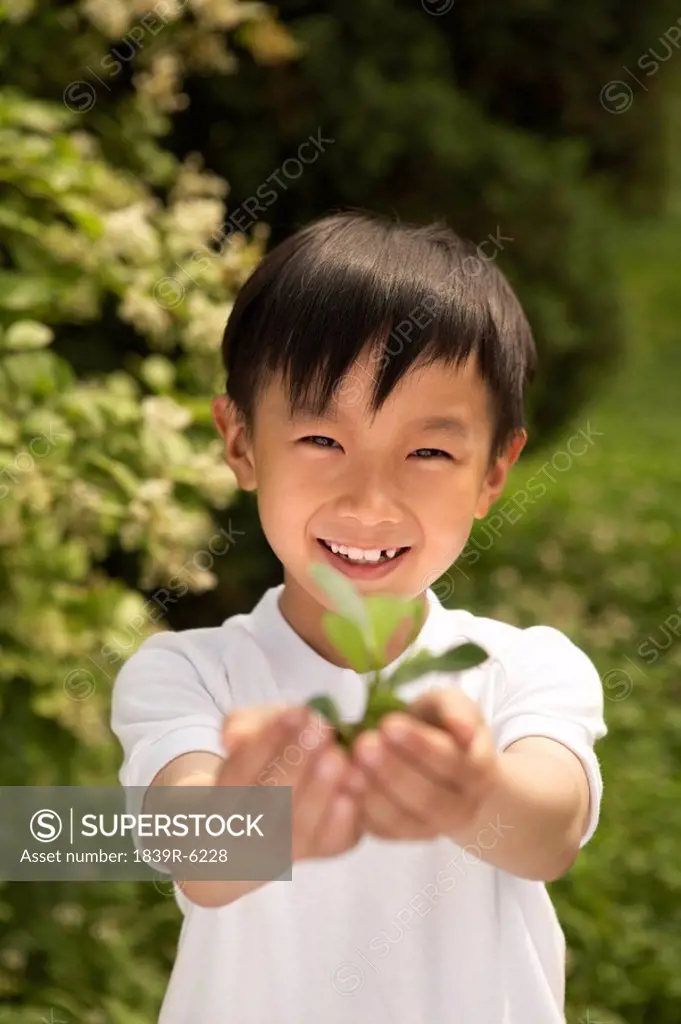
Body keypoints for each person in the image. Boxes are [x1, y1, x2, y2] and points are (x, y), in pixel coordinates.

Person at [111, 210, 607, 1024]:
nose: (369, 501)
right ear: (239, 442)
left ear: (493, 472)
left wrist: (470, 788)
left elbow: (547, 833)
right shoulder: (189, 675)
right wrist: (270, 816)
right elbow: (190, 850)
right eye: (320, 438)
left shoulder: (526, 670)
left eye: (428, 452)